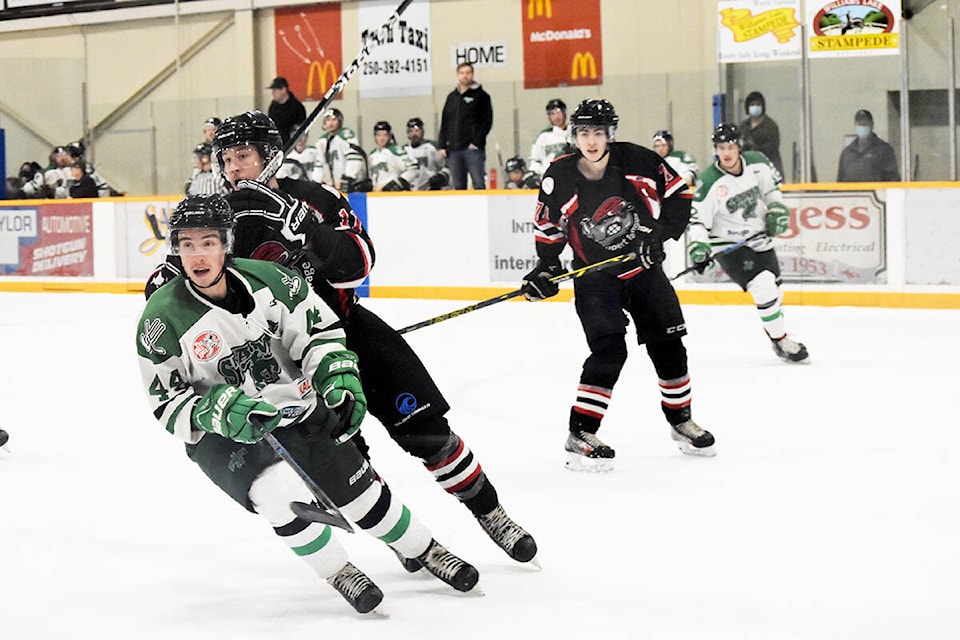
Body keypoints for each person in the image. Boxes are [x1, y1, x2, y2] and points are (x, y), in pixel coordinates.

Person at [147, 110, 537, 566]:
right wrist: (167, 278)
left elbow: (361, 266)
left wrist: (311, 232)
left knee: (430, 433)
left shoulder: (314, 198)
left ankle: (491, 514)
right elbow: (181, 281)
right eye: (225, 158)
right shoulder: (218, 219)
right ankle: (406, 542)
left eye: (243, 156)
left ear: (271, 157)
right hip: (292, 364)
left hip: (352, 333)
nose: (232, 168)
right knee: (351, 465)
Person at [138, 193, 480, 613]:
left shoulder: (274, 282)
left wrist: (336, 376)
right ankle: (338, 570)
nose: (198, 255)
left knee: (360, 494)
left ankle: (425, 548)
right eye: (187, 244)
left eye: (207, 242)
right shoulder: (160, 317)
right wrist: (218, 410)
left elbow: (319, 336)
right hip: (219, 432)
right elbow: (167, 401)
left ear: (226, 243)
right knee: (273, 490)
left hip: (292, 403)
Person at [520, 99, 716, 472]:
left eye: (598, 133)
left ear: (610, 134)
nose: (591, 141)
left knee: (669, 346)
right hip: (594, 278)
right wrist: (545, 268)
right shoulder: (559, 175)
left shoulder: (640, 161)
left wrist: (657, 234)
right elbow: (548, 227)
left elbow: (679, 195)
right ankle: (581, 432)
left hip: (642, 271)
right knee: (609, 350)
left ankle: (681, 421)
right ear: (573, 136)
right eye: (583, 133)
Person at [687, 122, 809, 364]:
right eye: (721, 148)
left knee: (774, 291)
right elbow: (697, 221)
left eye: (730, 146)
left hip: (759, 236)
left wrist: (776, 209)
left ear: (739, 146)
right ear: (715, 150)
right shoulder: (710, 181)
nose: (726, 153)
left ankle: (776, 337)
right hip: (728, 244)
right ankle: (782, 340)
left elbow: (772, 191)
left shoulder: (758, 162)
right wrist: (699, 247)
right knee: (763, 286)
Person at [438, 62, 493, 190]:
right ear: (458, 75)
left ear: (472, 74)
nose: (465, 76)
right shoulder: (452, 97)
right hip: (454, 150)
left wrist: (476, 142)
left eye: (468, 73)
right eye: (462, 73)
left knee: (478, 183)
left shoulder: (482, 96)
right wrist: (442, 145)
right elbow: (445, 121)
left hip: (473, 150)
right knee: (458, 186)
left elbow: (487, 121)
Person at [311, 107, 370, 193]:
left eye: (334, 119)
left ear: (340, 121)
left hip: (350, 186)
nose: (331, 123)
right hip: (332, 187)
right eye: (328, 120)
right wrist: (316, 181)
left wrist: (349, 177)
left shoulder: (346, 135)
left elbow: (354, 157)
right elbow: (320, 164)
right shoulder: (322, 141)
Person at [837, 109, 900, 182]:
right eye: (859, 124)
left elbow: (892, 180)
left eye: (865, 124)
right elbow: (840, 182)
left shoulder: (885, 150)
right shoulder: (847, 153)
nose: (862, 127)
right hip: (852, 193)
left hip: (876, 193)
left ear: (872, 125)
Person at [739, 91, 783, 178]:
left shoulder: (770, 126)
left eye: (758, 104)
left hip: (769, 169)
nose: (755, 107)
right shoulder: (743, 126)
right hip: (748, 170)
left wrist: (754, 147)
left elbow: (772, 148)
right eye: (752, 104)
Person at [528, 98, 574, 178]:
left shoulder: (574, 133)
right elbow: (534, 160)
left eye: (558, 112)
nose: (556, 116)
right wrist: (542, 172)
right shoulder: (543, 136)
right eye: (552, 113)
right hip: (549, 178)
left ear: (564, 112)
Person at [368, 121, 418, 191]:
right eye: (379, 135)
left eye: (384, 135)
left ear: (389, 136)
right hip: (377, 194)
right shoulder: (372, 155)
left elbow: (413, 169)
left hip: (392, 195)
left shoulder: (395, 151)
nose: (381, 138)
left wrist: (398, 183)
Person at [404, 117, 450, 190]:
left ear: (422, 131)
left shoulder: (433, 147)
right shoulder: (404, 150)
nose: (414, 134)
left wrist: (441, 176)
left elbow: (447, 165)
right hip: (411, 190)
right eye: (411, 131)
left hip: (431, 188)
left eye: (417, 130)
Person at [266, 77, 306, 147]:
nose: (273, 93)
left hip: (292, 145)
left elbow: (301, 129)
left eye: (275, 90)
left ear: (283, 90)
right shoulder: (273, 107)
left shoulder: (297, 107)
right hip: (276, 145)